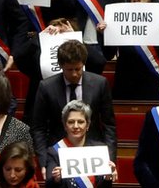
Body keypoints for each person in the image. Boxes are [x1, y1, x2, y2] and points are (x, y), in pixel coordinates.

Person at [31, 40, 116, 170]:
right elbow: (38, 128)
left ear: (83, 64)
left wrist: (109, 159)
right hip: (58, 154)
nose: (74, 74)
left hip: (93, 154)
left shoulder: (100, 84)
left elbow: (108, 125)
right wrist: (44, 162)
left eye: (78, 69)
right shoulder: (46, 87)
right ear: (60, 66)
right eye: (69, 70)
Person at [110, 0, 159, 100]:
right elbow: (108, 54)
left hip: (151, 78)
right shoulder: (118, 16)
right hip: (125, 79)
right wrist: (102, 33)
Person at [45, 100, 117, 188]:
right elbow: (49, 185)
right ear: (65, 125)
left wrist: (108, 177)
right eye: (71, 122)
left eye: (80, 122)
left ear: (88, 125)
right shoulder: (54, 151)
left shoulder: (99, 150)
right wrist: (56, 180)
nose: (75, 126)